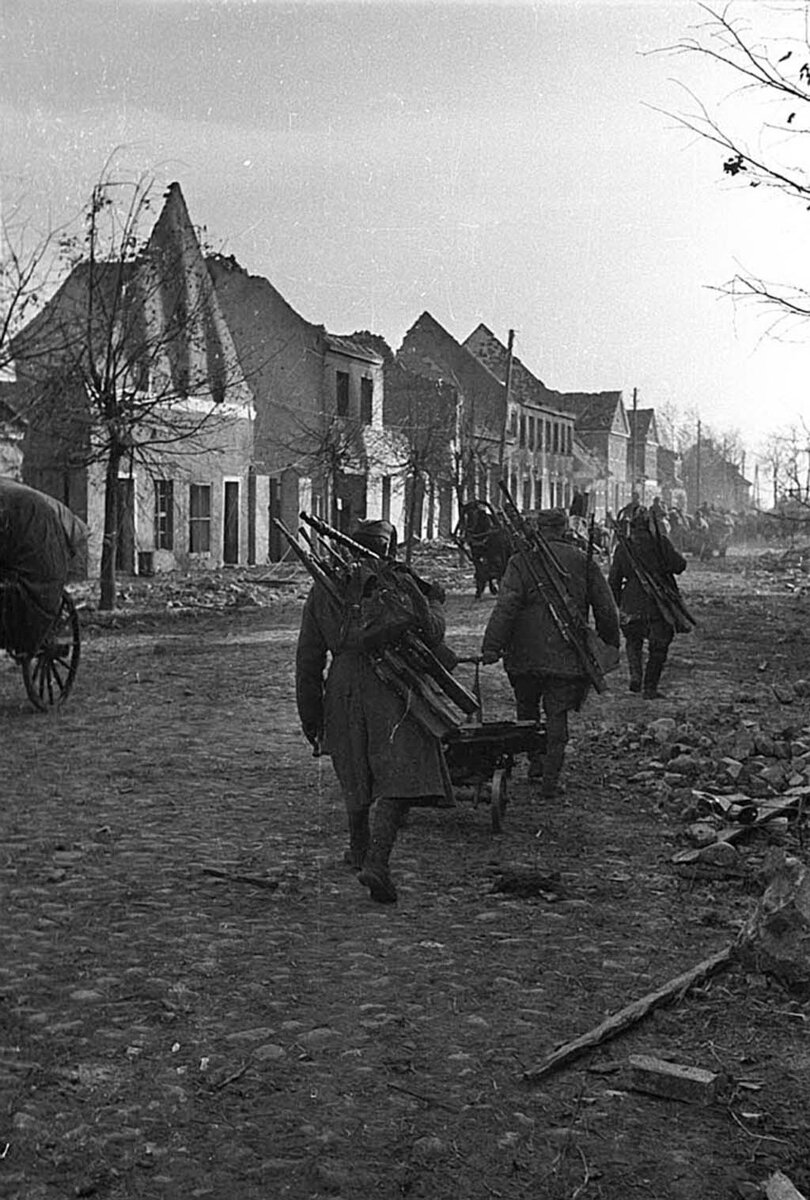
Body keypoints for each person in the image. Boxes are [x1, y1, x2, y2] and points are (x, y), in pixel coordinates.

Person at [295, 518, 451, 905]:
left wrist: (311, 715)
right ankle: (377, 861)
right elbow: (433, 633)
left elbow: (308, 659)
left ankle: (359, 849)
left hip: (344, 684)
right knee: (401, 770)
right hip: (392, 682)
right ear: (388, 548)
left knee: (354, 766)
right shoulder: (400, 582)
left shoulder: (324, 589)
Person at [480, 508, 620, 799]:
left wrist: (492, 646)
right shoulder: (582, 561)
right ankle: (550, 782)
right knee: (557, 717)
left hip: (523, 657)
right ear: (566, 528)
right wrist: (608, 645)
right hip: (567, 655)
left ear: (539, 529)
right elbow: (606, 609)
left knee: (527, 712)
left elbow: (506, 607)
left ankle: (535, 765)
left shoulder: (520, 562)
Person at [608, 506, 687, 699]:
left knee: (633, 641)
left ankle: (636, 676)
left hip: (631, 602)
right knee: (658, 647)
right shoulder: (660, 543)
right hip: (658, 603)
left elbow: (614, 582)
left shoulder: (623, 548)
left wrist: (620, 604)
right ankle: (650, 688)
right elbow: (680, 566)